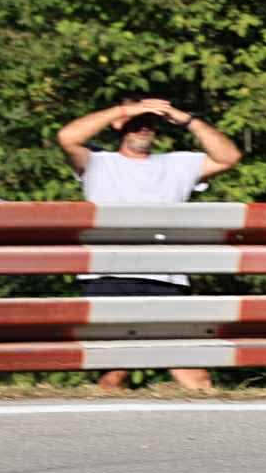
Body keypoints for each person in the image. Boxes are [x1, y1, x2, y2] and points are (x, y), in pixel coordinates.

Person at [55, 97, 244, 391]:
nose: (143, 128)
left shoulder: (178, 163)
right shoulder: (98, 162)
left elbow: (228, 157)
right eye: (136, 122)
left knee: (195, 375)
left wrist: (186, 119)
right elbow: (67, 137)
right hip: (110, 277)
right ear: (119, 125)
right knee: (115, 371)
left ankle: (209, 418)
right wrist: (124, 110)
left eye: (150, 123)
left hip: (165, 278)